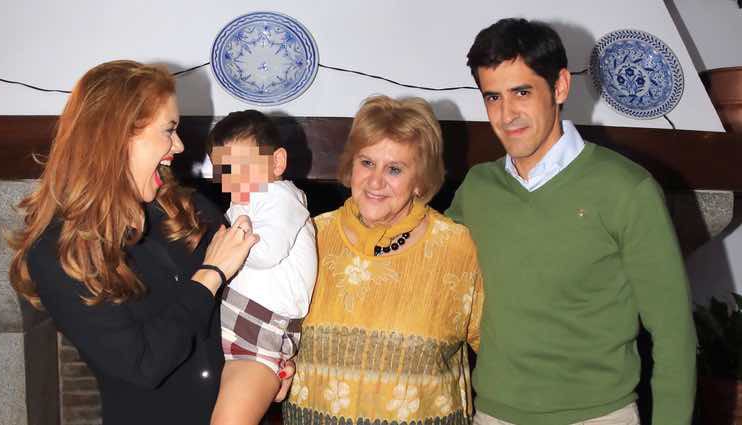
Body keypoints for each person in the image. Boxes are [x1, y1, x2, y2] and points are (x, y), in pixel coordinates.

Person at [447, 18, 696, 425]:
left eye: (521, 92)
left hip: (600, 416)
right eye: (493, 97)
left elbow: (674, 335)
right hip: (493, 415)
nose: (507, 114)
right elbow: (424, 263)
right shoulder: (478, 188)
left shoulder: (627, 189)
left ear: (560, 86)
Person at [6, 60, 273, 425]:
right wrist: (211, 274)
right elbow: (143, 364)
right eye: (169, 130)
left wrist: (273, 361)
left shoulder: (188, 208)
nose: (178, 146)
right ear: (117, 137)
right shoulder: (59, 253)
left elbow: (254, 300)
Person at [282, 95, 484, 425]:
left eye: (394, 169)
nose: (376, 181)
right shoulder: (310, 237)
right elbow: (271, 332)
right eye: (366, 163)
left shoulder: (457, 249)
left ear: (420, 180)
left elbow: (498, 348)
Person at [199, 110, 317, 425]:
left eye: (242, 167)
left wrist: (220, 251)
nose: (232, 178)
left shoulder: (279, 197)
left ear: (276, 163)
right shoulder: (244, 204)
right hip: (241, 329)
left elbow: (266, 252)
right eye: (225, 169)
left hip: (262, 337)